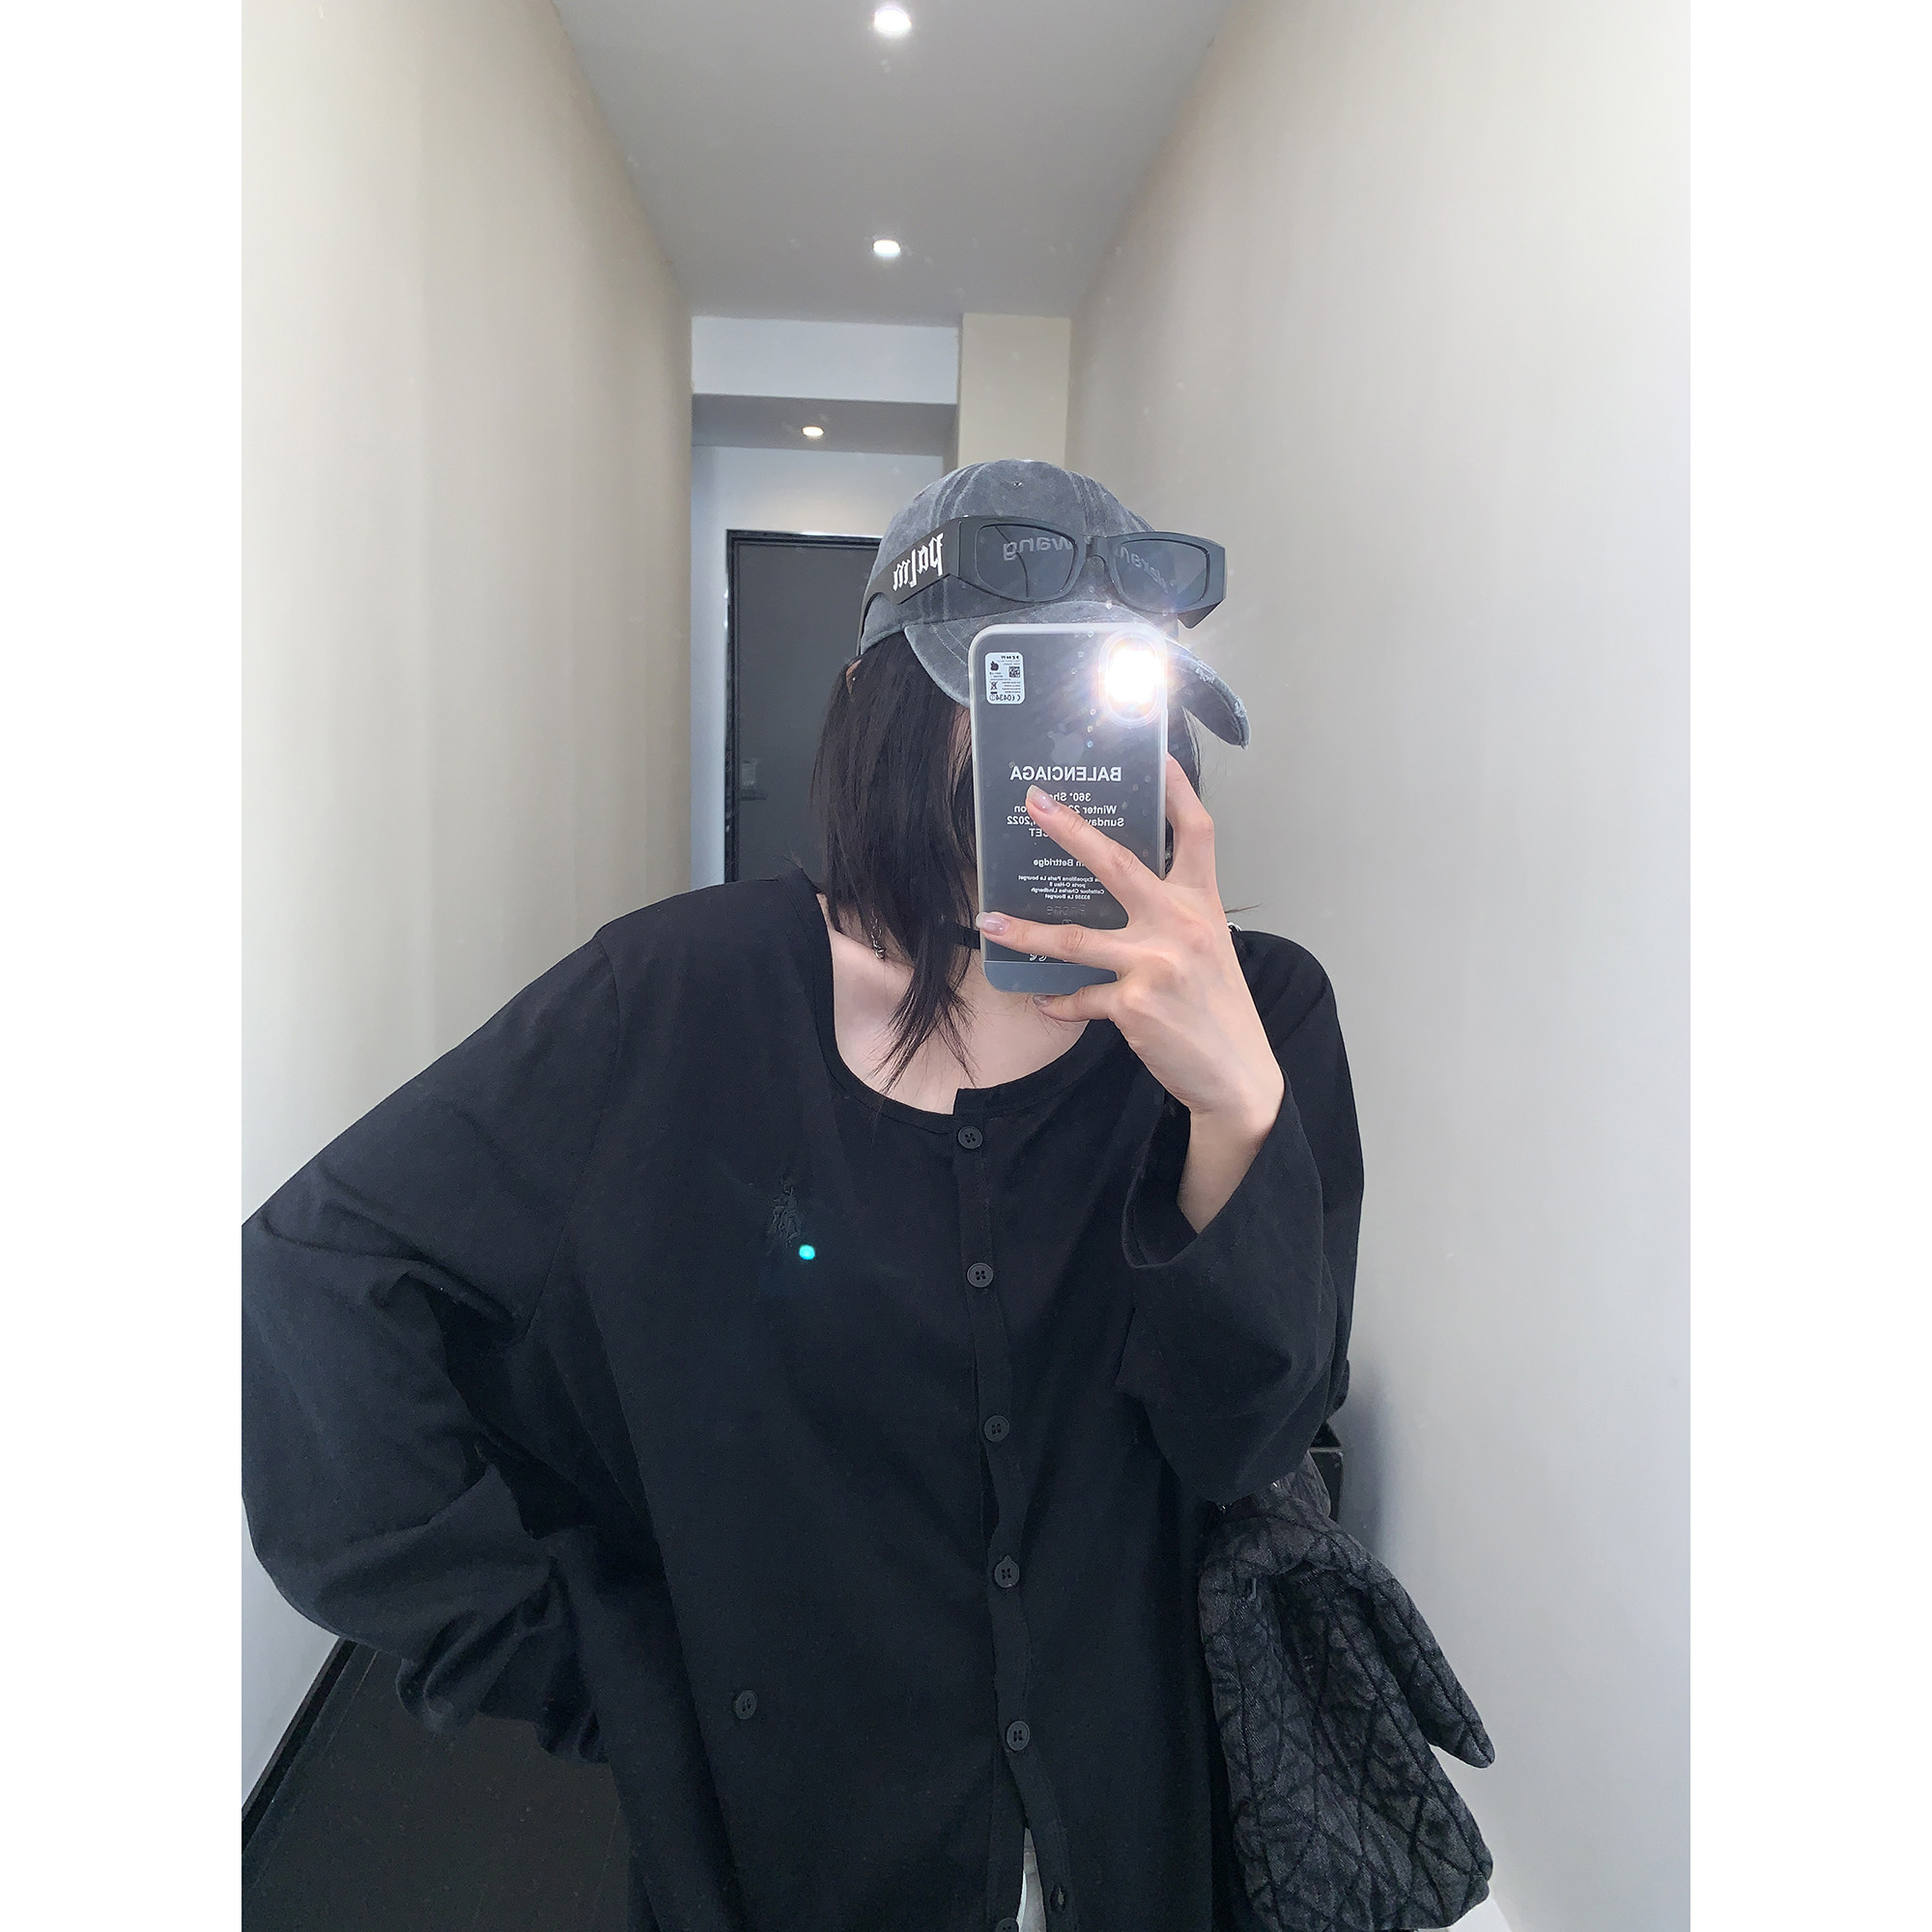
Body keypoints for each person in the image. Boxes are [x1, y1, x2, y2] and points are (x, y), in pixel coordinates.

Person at [242, 459, 1364, 1932]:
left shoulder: (1260, 1016)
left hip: (1135, 1833)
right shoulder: (680, 1000)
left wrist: (1234, 1111)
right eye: (1013, 699)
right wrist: (597, 1668)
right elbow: (319, 1279)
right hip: (799, 1867)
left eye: (1114, 710)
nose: (1064, 770)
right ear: (875, 705)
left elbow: (1252, 1448)